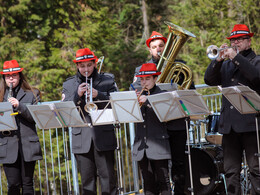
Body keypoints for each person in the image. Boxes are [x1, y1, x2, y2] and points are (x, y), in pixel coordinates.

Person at [132, 31, 194, 194]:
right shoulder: (140, 71)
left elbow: (189, 93)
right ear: (149, 50)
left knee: (178, 166)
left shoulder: (180, 66)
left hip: (175, 123)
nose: (158, 50)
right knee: (154, 173)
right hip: (153, 126)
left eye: (161, 46)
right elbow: (135, 92)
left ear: (166, 47)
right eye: (154, 47)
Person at [204, 24, 260, 195]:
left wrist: (236, 57)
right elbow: (209, 80)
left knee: (256, 169)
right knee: (230, 171)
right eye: (233, 40)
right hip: (230, 126)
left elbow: (256, 77)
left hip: (252, 125)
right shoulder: (226, 65)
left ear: (249, 41)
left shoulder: (256, 60)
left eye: (240, 39)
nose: (235, 43)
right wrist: (218, 60)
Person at [62, 48, 117, 195]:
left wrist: (98, 94)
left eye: (89, 65)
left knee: (109, 181)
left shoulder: (108, 80)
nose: (86, 69)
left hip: (103, 136)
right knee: (87, 182)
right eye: (82, 66)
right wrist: (77, 95)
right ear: (77, 66)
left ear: (94, 63)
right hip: (82, 138)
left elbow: (118, 103)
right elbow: (64, 109)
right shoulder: (69, 85)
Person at [0, 60, 43, 194]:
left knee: (28, 184)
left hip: (27, 144)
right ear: (4, 78)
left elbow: (37, 118)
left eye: (14, 75)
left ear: (20, 76)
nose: (11, 78)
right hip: (7, 145)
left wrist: (20, 106)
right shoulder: (0, 96)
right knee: (13, 185)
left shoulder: (32, 94)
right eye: (8, 76)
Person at [132, 63, 171, 195]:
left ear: (155, 79)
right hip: (141, 146)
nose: (144, 82)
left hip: (159, 144)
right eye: (142, 79)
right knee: (147, 183)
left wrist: (148, 101)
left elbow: (165, 114)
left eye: (147, 79)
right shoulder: (136, 96)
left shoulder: (163, 94)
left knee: (163, 180)